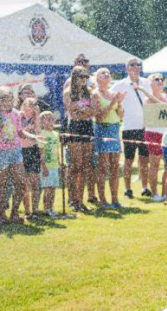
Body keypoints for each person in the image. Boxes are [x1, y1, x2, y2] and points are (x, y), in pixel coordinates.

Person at [0, 87, 42, 224]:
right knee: (2, 185)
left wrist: (34, 137)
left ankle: (14, 213)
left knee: (21, 183)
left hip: (15, 151)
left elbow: (20, 132)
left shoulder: (16, 114)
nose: (9, 102)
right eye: (5, 99)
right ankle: (0, 215)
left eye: (10, 99)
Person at [111, 57, 150, 199]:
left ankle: (145, 188)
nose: (135, 67)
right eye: (132, 65)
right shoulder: (120, 84)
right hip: (129, 127)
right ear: (127, 68)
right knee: (128, 160)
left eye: (138, 64)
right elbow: (109, 97)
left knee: (145, 159)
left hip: (145, 127)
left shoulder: (147, 83)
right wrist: (117, 103)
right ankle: (128, 189)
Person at [62, 66, 95, 213]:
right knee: (75, 166)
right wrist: (84, 112)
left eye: (86, 77)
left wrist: (81, 111)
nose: (84, 80)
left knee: (84, 165)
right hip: (74, 128)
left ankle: (80, 200)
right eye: (81, 76)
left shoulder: (89, 93)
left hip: (87, 127)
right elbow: (73, 114)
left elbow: (94, 111)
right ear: (74, 77)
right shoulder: (68, 92)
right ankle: (73, 199)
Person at [92, 68, 125, 208]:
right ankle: (103, 200)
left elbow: (120, 116)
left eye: (108, 73)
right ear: (97, 78)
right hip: (103, 129)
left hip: (114, 129)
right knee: (102, 167)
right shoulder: (95, 94)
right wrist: (113, 103)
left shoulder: (113, 94)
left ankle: (115, 200)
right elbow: (99, 117)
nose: (106, 75)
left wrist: (120, 103)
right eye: (102, 73)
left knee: (115, 167)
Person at [139, 73, 167, 201]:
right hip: (153, 134)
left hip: (165, 134)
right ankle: (155, 194)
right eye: (156, 79)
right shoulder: (147, 100)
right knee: (155, 165)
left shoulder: (166, 97)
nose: (160, 81)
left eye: (161, 79)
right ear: (150, 84)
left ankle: (164, 193)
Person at [19, 97, 41, 218]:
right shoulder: (18, 116)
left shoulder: (35, 118)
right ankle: (27, 211)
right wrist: (26, 130)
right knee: (24, 184)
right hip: (22, 151)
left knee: (35, 182)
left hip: (33, 150)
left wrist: (37, 116)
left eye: (33, 106)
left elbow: (38, 133)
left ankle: (35, 210)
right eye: (28, 105)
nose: (30, 108)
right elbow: (19, 133)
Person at [38, 111, 61, 217]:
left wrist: (60, 163)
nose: (51, 121)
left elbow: (57, 149)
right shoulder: (42, 135)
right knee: (47, 188)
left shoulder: (56, 134)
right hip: (47, 166)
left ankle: (51, 208)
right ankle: (46, 208)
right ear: (42, 123)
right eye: (48, 119)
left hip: (55, 166)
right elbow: (41, 152)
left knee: (53, 188)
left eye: (52, 119)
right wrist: (44, 166)